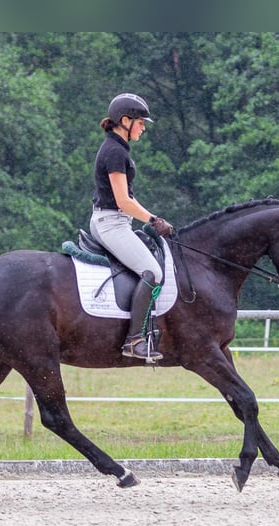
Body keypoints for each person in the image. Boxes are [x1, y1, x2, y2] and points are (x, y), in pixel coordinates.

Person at [89, 93, 174, 361]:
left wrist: (151, 216)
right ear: (125, 121)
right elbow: (123, 201)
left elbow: (129, 198)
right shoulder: (114, 152)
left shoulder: (118, 149)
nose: (143, 127)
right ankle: (134, 340)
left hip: (115, 220)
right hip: (111, 223)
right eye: (140, 122)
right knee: (152, 273)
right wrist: (151, 220)